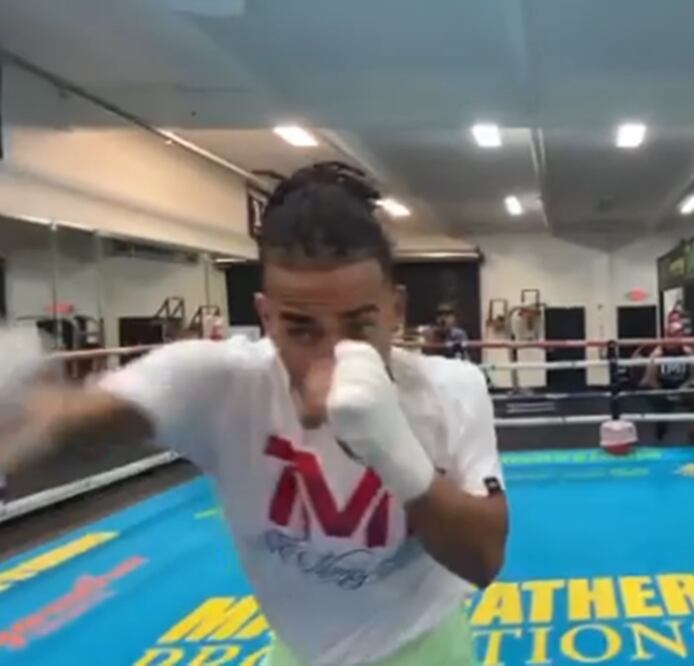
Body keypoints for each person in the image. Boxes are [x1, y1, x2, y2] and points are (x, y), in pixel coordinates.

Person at [0, 163, 508, 666]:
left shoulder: (449, 388)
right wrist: (23, 411)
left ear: (396, 309)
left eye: (358, 326)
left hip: (420, 647)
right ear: (265, 316)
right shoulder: (219, 383)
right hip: (296, 652)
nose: (332, 355)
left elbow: (484, 558)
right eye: (302, 329)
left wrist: (393, 450)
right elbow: (64, 422)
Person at [640, 319, 694, 443]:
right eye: (674, 334)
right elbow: (650, 378)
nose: (678, 338)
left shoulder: (688, 352)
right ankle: (660, 434)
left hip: (682, 386)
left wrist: (683, 389)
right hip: (661, 386)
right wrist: (665, 393)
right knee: (660, 407)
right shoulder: (658, 353)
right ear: (668, 336)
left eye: (680, 334)